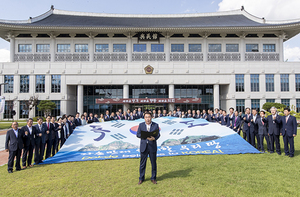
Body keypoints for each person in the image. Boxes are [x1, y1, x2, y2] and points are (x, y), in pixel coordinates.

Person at [136, 112, 160, 185]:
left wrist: (154, 138)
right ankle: (141, 178)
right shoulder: (141, 125)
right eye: (146, 117)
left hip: (152, 146)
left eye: (149, 117)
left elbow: (158, 135)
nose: (148, 119)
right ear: (144, 118)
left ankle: (153, 178)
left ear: (151, 117)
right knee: (142, 163)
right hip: (144, 147)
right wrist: (144, 136)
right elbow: (138, 134)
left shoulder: (155, 125)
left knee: (153, 163)